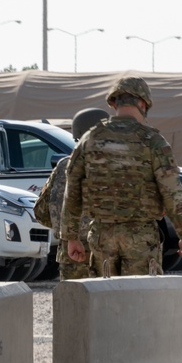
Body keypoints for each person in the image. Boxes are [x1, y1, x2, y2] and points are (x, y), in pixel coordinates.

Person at [62, 77, 182, 277]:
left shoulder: (90, 138)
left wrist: (70, 237)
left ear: (114, 103)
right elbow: (172, 192)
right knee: (140, 299)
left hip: (101, 235)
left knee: (104, 298)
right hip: (140, 236)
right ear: (143, 103)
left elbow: (72, 189)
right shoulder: (153, 141)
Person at [33, 107, 109, 280]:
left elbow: (41, 212)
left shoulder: (63, 166)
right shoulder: (113, 166)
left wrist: (66, 232)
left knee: (74, 302)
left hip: (71, 252)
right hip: (106, 249)